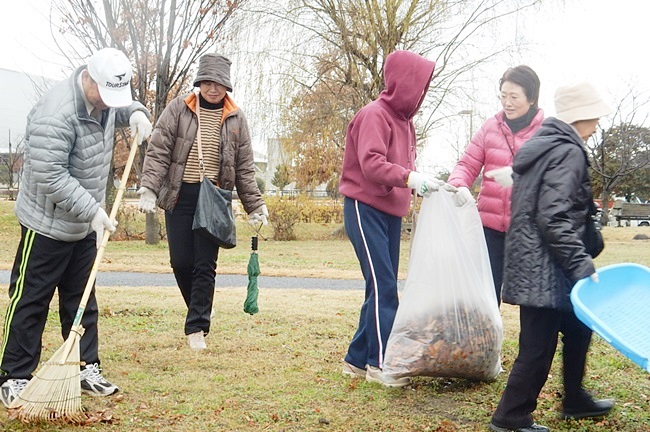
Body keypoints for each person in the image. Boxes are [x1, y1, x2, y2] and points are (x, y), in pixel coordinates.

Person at [0, 47, 152, 407]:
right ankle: (14, 376)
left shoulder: (103, 99)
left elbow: (119, 106)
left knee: (82, 299)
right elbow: (50, 175)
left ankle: (85, 367)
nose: (110, 103)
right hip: (47, 224)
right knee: (31, 300)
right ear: (89, 79)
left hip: (84, 223)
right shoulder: (55, 113)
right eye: (107, 95)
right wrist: (93, 211)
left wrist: (137, 112)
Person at [488, 82, 615, 432]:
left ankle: (574, 399)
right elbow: (554, 217)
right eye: (595, 117)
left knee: (579, 326)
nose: (597, 125)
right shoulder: (567, 151)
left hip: (539, 262)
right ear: (581, 116)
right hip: (547, 267)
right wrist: (580, 264)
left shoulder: (546, 145)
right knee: (537, 349)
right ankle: (510, 418)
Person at [338, 50, 455, 387]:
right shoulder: (374, 115)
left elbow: (403, 168)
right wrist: (409, 178)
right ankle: (381, 363)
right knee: (384, 286)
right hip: (364, 208)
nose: (422, 93)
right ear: (403, 83)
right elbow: (372, 164)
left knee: (380, 285)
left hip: (390, 213)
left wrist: (424, 184)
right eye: (419, 85)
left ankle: (356, 360)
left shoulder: (406, 123)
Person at [137, 53, 268, 351]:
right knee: (181, 262)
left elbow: (244, 167)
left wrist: (255, 205)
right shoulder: (178, 109)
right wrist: (149, 188)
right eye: (207, 82)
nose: (212, 88)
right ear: (199, 83)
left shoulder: (236, 118)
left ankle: (197, 327)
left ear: (227, 86)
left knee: (205, 265)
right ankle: (202, 307)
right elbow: (158, 151)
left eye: (218, 84)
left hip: (214, 199)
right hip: (180, 195)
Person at [448, 66, 544, 305]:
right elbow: (467, 164)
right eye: (503, 95)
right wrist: (459, 184)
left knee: (532, 301)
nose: (507, 103)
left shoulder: (545, 133)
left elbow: (553, 178)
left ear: (532, 98)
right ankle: (487, 331)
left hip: (527, 231)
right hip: (490, 230)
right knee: (484, 296)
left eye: (514, 97)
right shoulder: (490, 127)